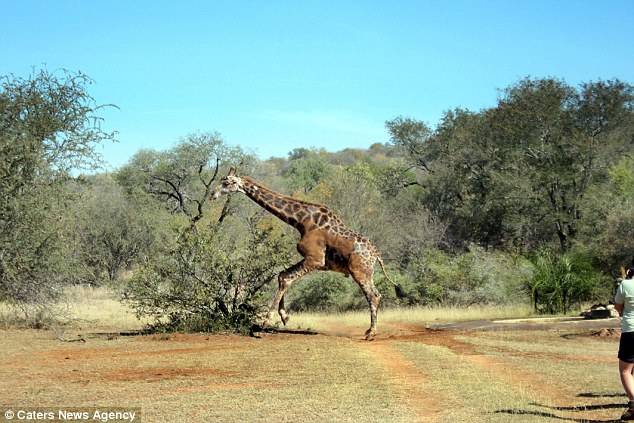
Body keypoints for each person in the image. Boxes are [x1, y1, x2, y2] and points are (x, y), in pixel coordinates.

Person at [615, 267, 634, 420]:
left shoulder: (625, 285)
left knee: (625, 371)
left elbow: (618, 306)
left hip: (631, 331)